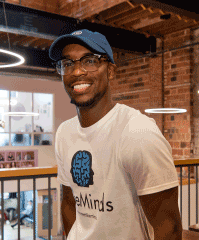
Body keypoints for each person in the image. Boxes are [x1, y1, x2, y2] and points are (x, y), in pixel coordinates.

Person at [49, 29, 182, 240]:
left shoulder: (137, 132)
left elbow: (169, 228)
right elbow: (69, 202)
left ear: (110, 71)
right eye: (68, 64)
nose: (76, 72)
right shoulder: (65, 132)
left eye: (89, 61)